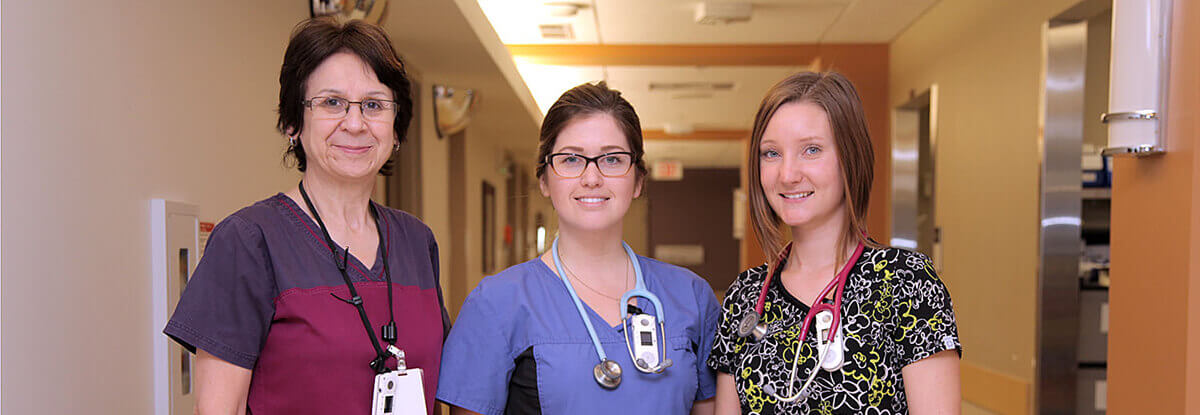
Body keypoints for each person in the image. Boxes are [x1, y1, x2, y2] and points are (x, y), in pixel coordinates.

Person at [163, 17, 448, 414]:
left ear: (396, 129)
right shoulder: (249, 241)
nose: (355, 123)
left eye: (374, 105)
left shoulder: (417, 241)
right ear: (293, 122)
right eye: (332, 103)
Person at [436, 82, 719, 415]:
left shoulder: (691, 297)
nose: (592, 177)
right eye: (571, 159)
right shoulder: (495, 304)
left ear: (638, 180)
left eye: (612, 159)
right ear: (544, 180)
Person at [708, 72, 961, 414]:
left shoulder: (906, 283)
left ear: (850, 157)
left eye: (811, 150)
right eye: (771, 154)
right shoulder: (746, 297)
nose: (787, 174)